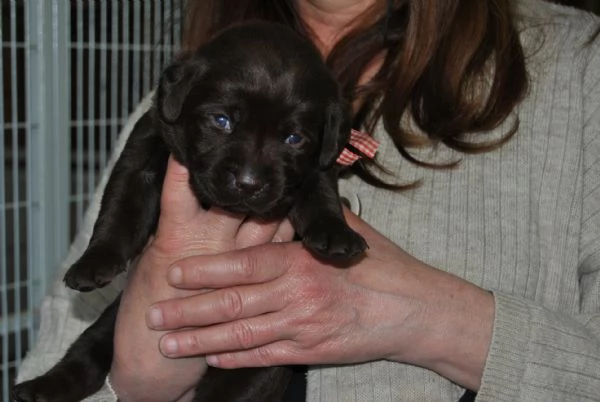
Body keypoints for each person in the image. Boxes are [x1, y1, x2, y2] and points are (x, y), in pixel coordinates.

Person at [17, 0, 600, 401]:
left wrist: (434, 320)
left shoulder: (579, 67)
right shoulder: (182, 89)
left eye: (293, 138)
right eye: (223, 122)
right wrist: (136, 380)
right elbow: (49, 366)